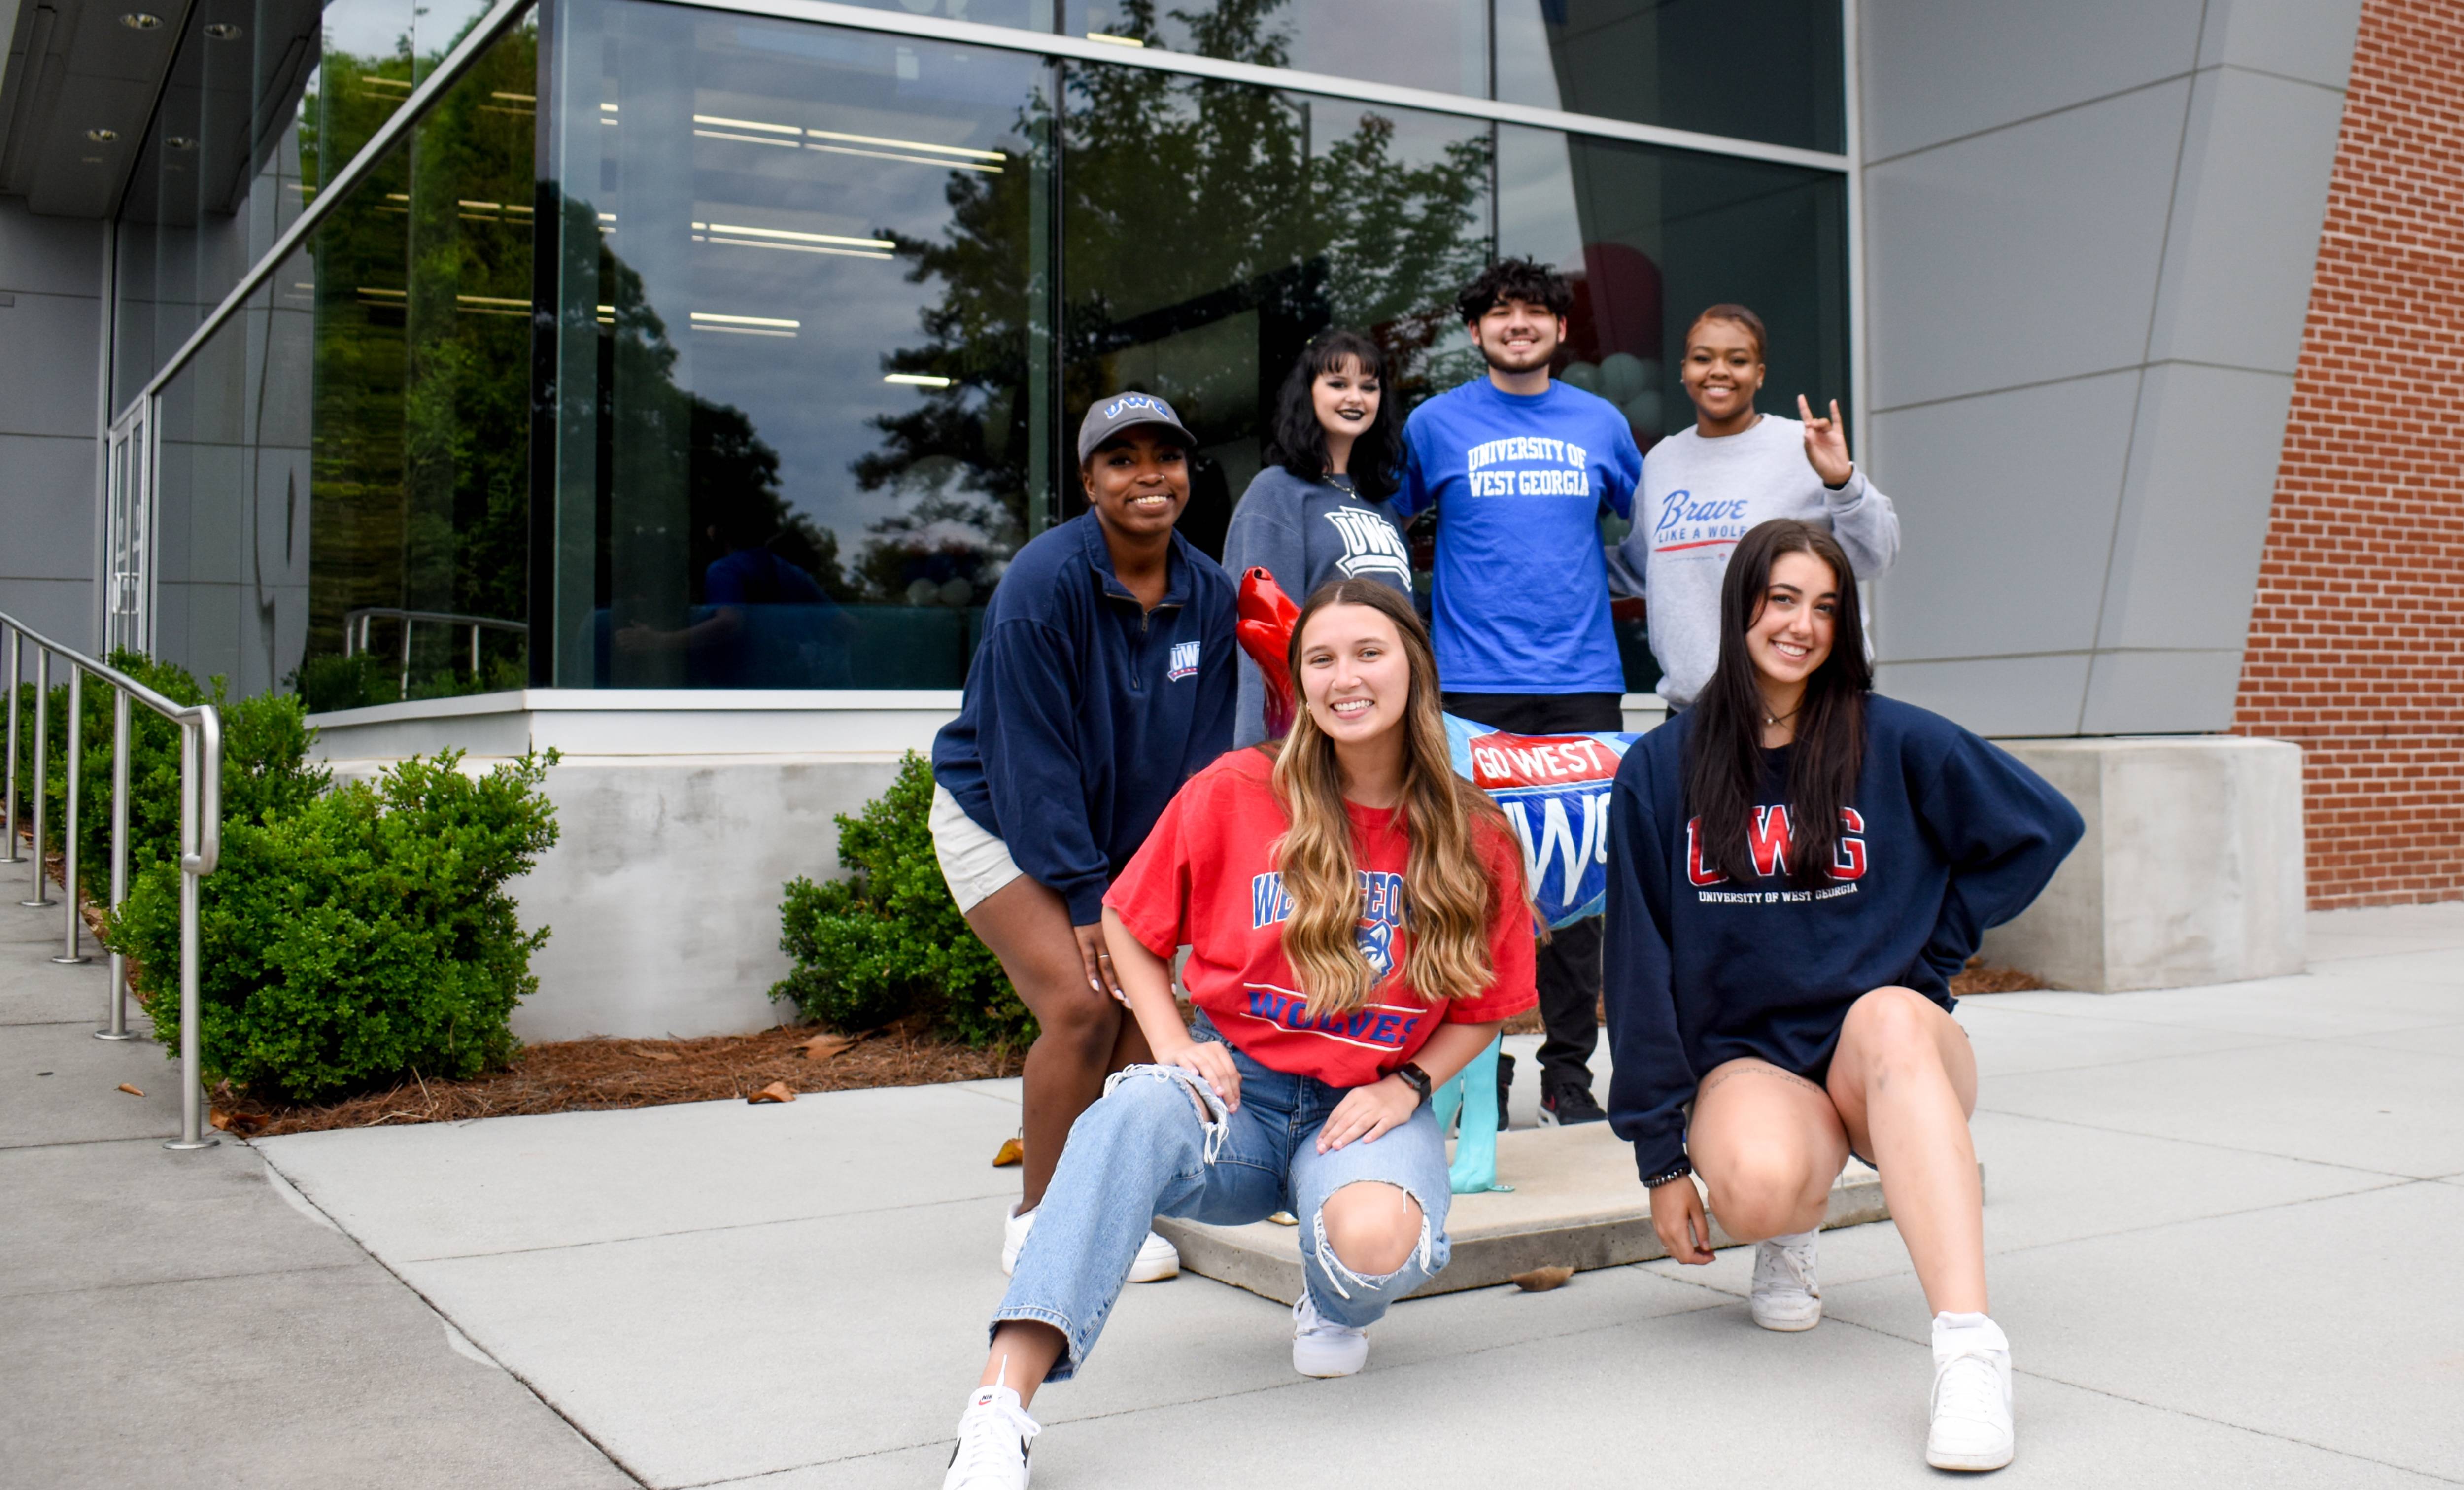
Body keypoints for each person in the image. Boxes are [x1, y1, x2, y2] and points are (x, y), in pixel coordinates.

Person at [938, 579, 1538, 1489]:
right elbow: (1131, 927)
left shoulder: (1473, 829)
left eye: (1369, 653)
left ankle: (1333, 1298)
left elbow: (1487, 1007)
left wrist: (1408, 1085)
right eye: (1322, 659)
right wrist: (1173, 1042)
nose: (1347, 678)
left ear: (1414, 666)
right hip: (1238, 1102)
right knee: (1129, 1112)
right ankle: (998, 1405)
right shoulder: (1237, 790)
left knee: (1371, 1242)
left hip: (1362, 1109)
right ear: (1298, 681)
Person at [1600, 519, 2081, 1473]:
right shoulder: (1662, 768)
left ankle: (1970, 1350)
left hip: (1887, 1052)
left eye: (1826, 606)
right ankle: (1792, 1231)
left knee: (1893, 1015)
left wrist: (1933, 955)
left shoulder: (1892, 738)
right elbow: (1639, 963)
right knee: (1764, 1185)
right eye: (1782, 599)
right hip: (1756, 1064)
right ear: (1741, 608)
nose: (1802, 624)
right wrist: (1662, 1156)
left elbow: (2041, 827)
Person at [929, 391, 1237, 1286]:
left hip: (1117, 842)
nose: (1149, 475)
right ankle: (1042, 1218)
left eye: (1166, 456)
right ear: (1089, 480)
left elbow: (1200, 766)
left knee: (1149, 1010)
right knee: (1083, 1003)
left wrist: (1159, 894)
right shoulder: (1042, 581)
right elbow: (1031, 763)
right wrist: (1086, 896)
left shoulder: (1209, 591)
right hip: (1003, 818)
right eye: (1122, 458)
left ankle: (1109, 1207)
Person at [1391, 256, 1642, 1128]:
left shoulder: (1603, 425)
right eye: (1501, 314)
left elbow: (1644, 537)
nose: (1519, 325)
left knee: (1579, 883)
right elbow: (1383, 532)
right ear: (1476, 332)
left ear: (1561, 330)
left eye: (1536, 312)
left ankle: (1569, 1073)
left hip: (1582, 686)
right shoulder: (1432, 426)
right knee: (1469, 885)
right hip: (1469, 691)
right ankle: (1478, 1072)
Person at [1619, 303, 1899, 710]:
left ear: (1760, 374)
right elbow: (1640, 569)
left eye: (1738, 360)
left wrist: (1842, 481)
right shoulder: (1662, 461)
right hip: (1696, 712)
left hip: (1804, 707)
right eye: (1703, 358)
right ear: (1684, 370)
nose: (1719, 371)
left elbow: (1877, 557)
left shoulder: (1802, 446)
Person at [1222, 328, 1413, 748]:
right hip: (1316, 735)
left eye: (1369, 386)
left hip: (1391, 732)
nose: (1356, 398)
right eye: (1338, 384)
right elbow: (1263, 637)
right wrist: (1265, 751)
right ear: (1307, 393)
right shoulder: (1276, 493)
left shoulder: (1379, 501)